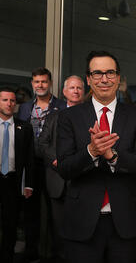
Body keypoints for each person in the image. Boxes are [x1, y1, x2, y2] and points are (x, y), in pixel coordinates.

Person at [56, 51, 136, 263]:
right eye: (97, 73)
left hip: (124, 219)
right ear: (89, 79)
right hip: (82, 219)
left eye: (110, 73)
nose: (104, 79)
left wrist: (112, 156)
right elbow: (64, 167)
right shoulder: (69, 117)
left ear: (118, 78)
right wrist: (91, 152)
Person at [17, 67, 67, 261]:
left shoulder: (62, 107)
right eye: (36, 82)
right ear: (32, 83)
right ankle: (32, 253)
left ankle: (56, 255)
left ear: (50, 83)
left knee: (56, 214)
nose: (40, 85)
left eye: (44, 82)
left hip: (53, 167)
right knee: (31, 212)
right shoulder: (25, 107)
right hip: (31, 167)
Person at [38, 75, 85, 263]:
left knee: (82, 227)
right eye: (72, 88)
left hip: (82, 180)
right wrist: (57, 161)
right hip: (57, 181)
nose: (75, 91)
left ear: (83, 92)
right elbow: (42, 144)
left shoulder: (90, 116)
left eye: (79, 88)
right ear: (64, 92)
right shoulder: (53, 116)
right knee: (59, 229)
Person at [0, 86, 34, 263]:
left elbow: (29, 159)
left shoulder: (24, 127)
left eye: (12, 100)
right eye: (5, 100)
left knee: (10, 225)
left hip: (12, 182)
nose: (9, 103)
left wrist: (28, 184)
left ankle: (6, 258)